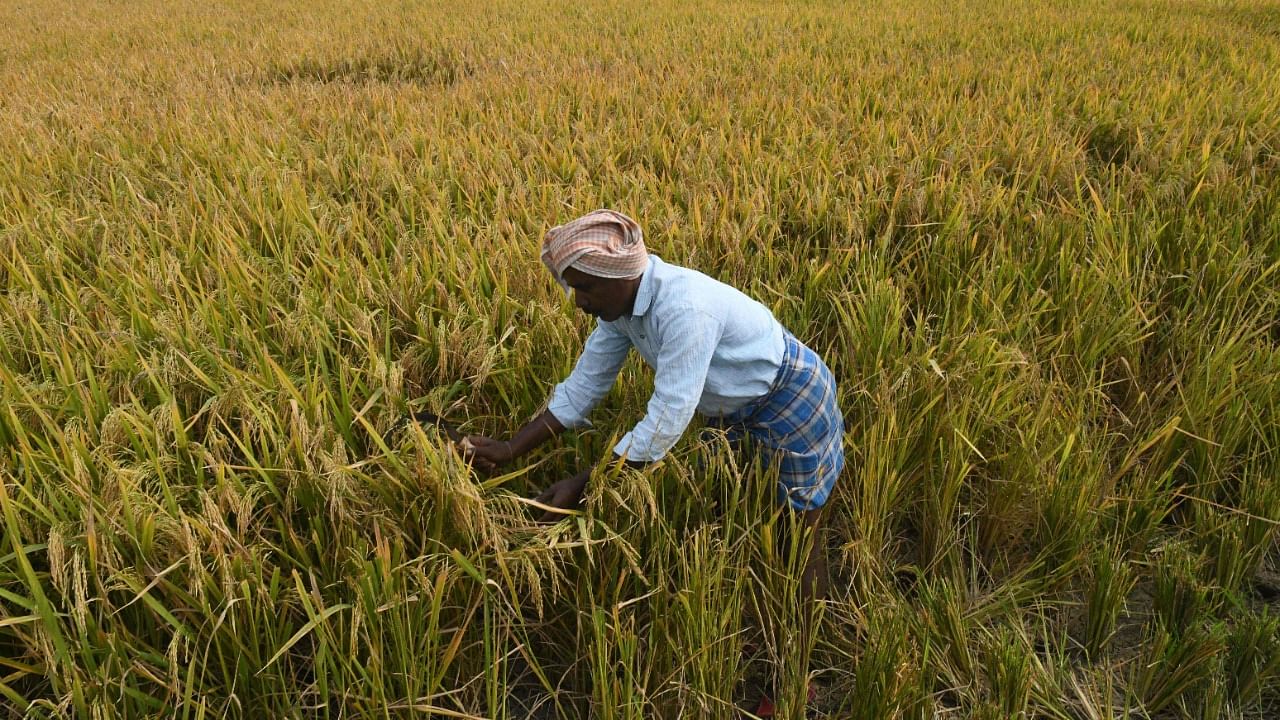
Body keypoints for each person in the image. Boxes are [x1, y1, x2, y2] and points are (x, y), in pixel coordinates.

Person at [463, 208, 843, 713]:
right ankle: (768, 627)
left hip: (788, 396)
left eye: (585, 289)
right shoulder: (619, 311)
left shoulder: (685, 309)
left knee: (800, 535)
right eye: (573, 288)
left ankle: (801, 672)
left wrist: (588, 483)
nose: (578, 302)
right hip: (734, 411)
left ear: (617, 276)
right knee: (750, 521)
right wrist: (511, 448)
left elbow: (668, 415)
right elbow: (584, 386)